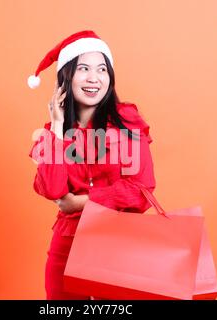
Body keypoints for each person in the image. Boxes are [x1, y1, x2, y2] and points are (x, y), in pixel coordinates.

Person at [27, 30, 156, 300]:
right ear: (66, 77)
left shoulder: (127, 122)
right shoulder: (53, 134)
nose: (94, 78)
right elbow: (52, 189)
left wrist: (81, 202)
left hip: (121, 249)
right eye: (83, 68)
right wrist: (59, 127)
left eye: (102, 69)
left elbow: (141, 192)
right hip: (67, 249)